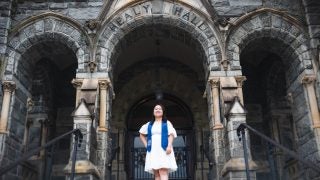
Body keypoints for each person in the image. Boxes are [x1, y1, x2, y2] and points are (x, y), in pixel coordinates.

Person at [139, 103, 178, 180]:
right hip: (153, 150)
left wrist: (169, 146)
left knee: (163, 172)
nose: (157, 110)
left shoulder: (166, 123)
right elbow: (141, 134)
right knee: (156, 174)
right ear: (153, 112)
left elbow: (171, 134)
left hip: (164, 149)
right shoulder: (149, 124)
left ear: (163, 112)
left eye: (159, 109)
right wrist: (146, 145)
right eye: (156, 109)